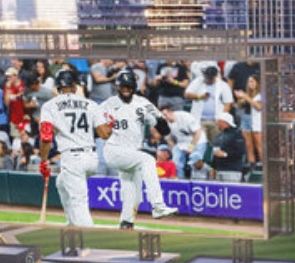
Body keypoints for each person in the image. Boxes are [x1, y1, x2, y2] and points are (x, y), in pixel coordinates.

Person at [99, 72, 176, 228]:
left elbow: (165, 130)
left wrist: (160, 118)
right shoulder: (107, 104)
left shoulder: (142, 103)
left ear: (134, 87)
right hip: (115, 150)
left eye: (129, 86)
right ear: (117, 87)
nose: (126, 89)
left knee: (134, 194)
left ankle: (126, 222)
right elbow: (97, 129)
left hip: (132, 153)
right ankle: (158, 205)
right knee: (147, 160)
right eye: (123, 86)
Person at [38, 67, 112, 227]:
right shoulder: (91, 104)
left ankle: (89, 242)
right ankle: (72, 223)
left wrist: (44, 161)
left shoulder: (50, 106)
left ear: (58, 87)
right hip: (92, 159)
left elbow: (46, 137)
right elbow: (104, 134)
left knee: (79, 202)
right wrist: (111, 125)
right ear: (75, 86)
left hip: (72, 158)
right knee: (61, 183)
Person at [185, 64, 235, 144]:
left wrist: (222, 119)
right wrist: (199, 96)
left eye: (210, 78)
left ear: (215, 76)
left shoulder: (223, 85)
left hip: (215, 120)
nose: (208, 80)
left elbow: (228, 103)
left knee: (216, 144)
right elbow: (187, 94)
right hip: (199, 119)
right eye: (207, 77)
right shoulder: (198, 81)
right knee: (200, 144)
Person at [161, 104, 206, 179]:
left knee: (195, 161)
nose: (164, 118)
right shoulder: (165, 124)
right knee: (175, 163)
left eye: (165, 115)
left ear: (171, 112)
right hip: (182, 143)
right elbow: (168, 138)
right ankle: (180, 182)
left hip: (198, 141)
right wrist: (173, 149)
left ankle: (198, 181)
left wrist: (191, 147)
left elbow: (198, 132)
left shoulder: (185, 117)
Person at [211, 113, 247, 182]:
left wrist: (225, 154)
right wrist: (213, 168)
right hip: (219, 170)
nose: (217, 124)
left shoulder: (237, 135)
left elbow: (241, 151)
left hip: (232, 170)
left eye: (219, 122)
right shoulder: (218, 136)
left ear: (224, 122)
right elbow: (215, 153)